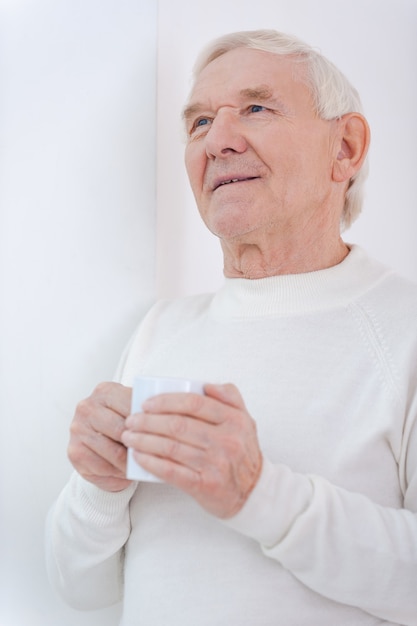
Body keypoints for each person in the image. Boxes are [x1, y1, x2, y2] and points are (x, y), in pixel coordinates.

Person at [45, 29, 417, 625]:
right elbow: (82, 589)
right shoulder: (160, 328)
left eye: (255, 108)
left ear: (345, 148)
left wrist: (259, 494)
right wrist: (97, 488)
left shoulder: (405, 330)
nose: (217, 140)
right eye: (198, 123)